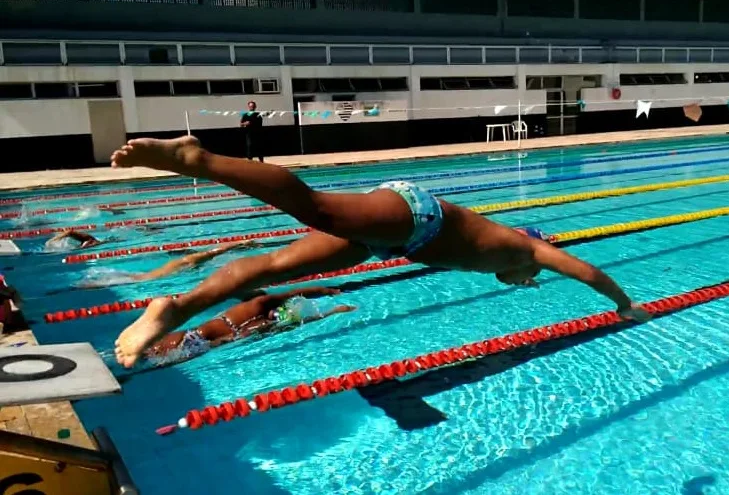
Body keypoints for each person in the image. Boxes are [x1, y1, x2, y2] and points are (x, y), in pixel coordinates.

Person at [109, 135, 651, 368]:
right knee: (315, 207)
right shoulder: (527, 251)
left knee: (273, 268)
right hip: (414, 215)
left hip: (393, 240)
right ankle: (199, 159)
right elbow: (587, 271)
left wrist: (517, 279)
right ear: (537, 244)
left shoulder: (512, 261)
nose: (523, 280)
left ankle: (176, 310)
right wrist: (623, 303)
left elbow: (506, 270)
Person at [142, 287, 354, 366]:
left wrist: (329, 310)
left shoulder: (266, 320)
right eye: (279, 310)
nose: (278, 315)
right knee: (154, 356)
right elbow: (290, 295)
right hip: (190, 339)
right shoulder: (258, 305)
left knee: (152, 359)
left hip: (203, 340)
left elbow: (295, 320)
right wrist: (323, 293)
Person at [77, 240, 257, 288]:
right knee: (91, 285)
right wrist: (241, 244)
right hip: (141, 280)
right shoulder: (191, 260)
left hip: (140, 277)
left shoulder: (183, 261)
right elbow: (218, 251)